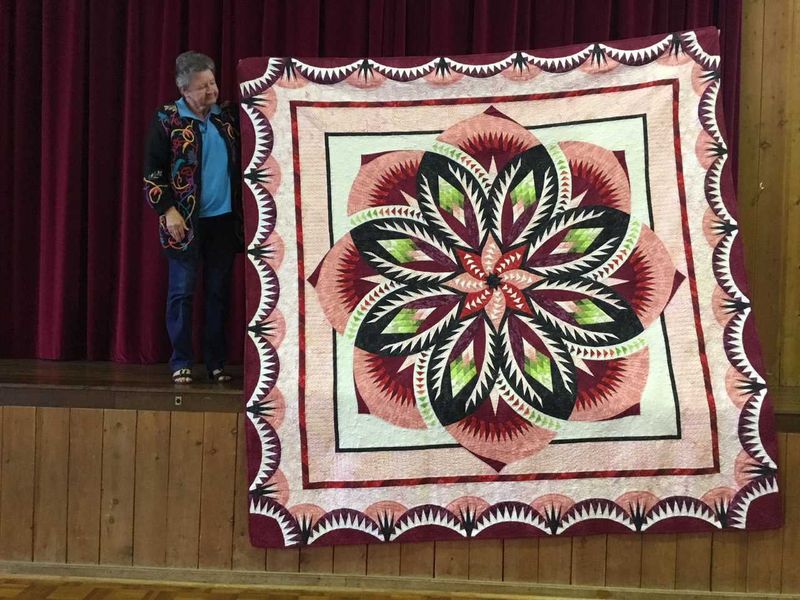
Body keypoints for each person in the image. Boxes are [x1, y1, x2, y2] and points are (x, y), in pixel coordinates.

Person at [143, 51, 242, 384]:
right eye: (202, 87)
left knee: (218, 292)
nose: (211, 91)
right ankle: (181, 360)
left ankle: (216, 362)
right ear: (184, 90)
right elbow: (153, 172)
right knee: (182, 293)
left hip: (223, 222)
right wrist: (167, 210)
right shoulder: (167, 119)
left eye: (212, 82)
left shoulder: (227, 117)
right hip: (182, 221)